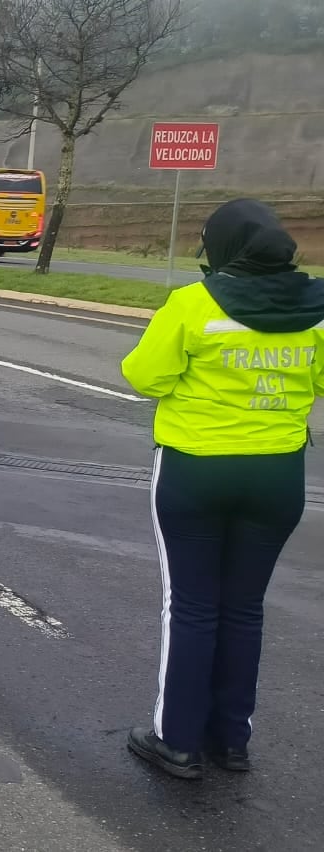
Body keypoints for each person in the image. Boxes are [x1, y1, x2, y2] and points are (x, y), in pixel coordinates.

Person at [120, 198, 324, 779]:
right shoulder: (316, 306)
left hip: (196, 471)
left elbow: (143, 375)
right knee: (244, 609)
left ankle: (177, 740)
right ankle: (231, 740)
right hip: (277, 477)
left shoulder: (192, 304)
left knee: (190, 607)